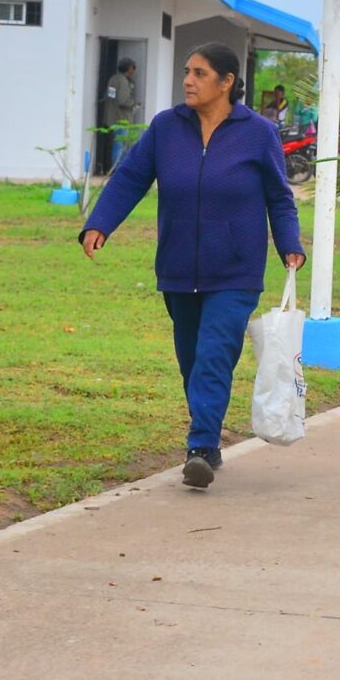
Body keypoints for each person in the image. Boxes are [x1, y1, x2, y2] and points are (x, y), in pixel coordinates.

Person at [80, 44, 304, 490]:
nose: (188, 80)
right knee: (191, 358)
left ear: (226, 82)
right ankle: (209, 438)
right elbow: (130, 177)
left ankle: (200, 445)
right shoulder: (166, 127)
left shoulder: (258, 133)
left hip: (235, 269)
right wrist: (100, 223)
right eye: (187, 71)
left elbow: (279, 197)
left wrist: (289, 244)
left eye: (200, 73)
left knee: (214, 354)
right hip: (178, 265)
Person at [101, 56, 143, 167]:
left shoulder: (113, 79)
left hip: (112, 117)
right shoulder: (123, 81)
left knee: (116, 144)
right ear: (128, 68)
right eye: (133, 68)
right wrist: (135, 103)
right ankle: (118, 169)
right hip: (122, 118)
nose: (134, 71)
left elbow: (110, 97)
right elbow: (123, 100)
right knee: (121, 145)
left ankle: (114, 168)